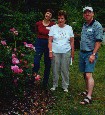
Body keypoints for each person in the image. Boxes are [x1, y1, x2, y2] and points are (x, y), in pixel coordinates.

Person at [79, 6, 103, 104]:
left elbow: (98, 41)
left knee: (89, 74)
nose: (87, 14)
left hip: (90, 53)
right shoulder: (84, 25)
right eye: (85, 13)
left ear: (93, 14)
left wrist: (93, 54)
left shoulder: (97, 26)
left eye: (89, 12)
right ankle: (87, 90)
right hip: (82, 52)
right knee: (85, 74)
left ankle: (89, 97)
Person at [48, 10, 74, 92]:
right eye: (59, 18)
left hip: (66, 51)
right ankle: (54, 85)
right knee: (55, 69)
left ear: (65, 19)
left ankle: (65, 86)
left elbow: (72, 41)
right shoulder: (53, 28)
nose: (60, 20)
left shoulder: (69, 28)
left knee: (65, 69)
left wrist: (72, 53)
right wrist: (50, 51)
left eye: (62, 18)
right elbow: (50, 41)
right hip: (55, 51)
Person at [32, 9, 55, 89]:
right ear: (45, 14)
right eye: (47, 13)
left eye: (50, 14)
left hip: (48, 45)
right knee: (36, 62)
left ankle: (45, 83)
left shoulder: (53, 25)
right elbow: (36, 32)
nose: (48, 15)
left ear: (51, 17)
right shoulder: (38, 23)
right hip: (39, 43)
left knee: (47, 64)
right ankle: (33, 79)